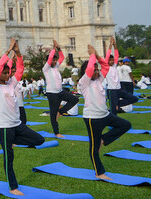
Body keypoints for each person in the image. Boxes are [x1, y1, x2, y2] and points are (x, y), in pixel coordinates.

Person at [0, 39, 45, 195]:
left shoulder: (12, 83)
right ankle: (13, 187)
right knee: (9, 156)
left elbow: (20, 68)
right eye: (5, 72)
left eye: (9, 72)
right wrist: (8, 51)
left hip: (17, 124)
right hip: (4, 126)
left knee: (39, 140)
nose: (7, 75)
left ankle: (12, 141)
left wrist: (18, 52)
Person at [79, 45, 132, 180]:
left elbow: (106, 66)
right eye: (94, 70)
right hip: (93, 118)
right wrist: (92, 56)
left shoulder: (99, 80)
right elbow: (90, 70)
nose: (96, 72)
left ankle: (105, 139)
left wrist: (98, 55)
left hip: (105, 115)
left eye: (97, 70)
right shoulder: (84, 82)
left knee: (125, 125)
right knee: (94, 148)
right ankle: (99, 172)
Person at [43, 40, 78, 138]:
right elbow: (50, 59)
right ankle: (56, 132)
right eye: (53, 60)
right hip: (52, 94)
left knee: (75, 99)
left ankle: (61, 112)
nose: (54, 61)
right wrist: (53, 49)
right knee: (53, 114)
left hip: (60, 92)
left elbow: (61, 57)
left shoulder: (56, 67)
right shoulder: (46, 68)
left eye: (55, 60)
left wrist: (59, 49)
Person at [105, 37, 139, 115]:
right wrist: (110, 45)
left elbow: (117, 55)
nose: (112, 61)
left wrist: (115, 45)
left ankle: (116, 104)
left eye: (112, 60)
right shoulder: (105, 67)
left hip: (119, 89)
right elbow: (107, 56)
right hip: (111, 90)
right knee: (114, 113)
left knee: (134, 98)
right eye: (110, 60)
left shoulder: (114, 66)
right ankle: (113, 123)